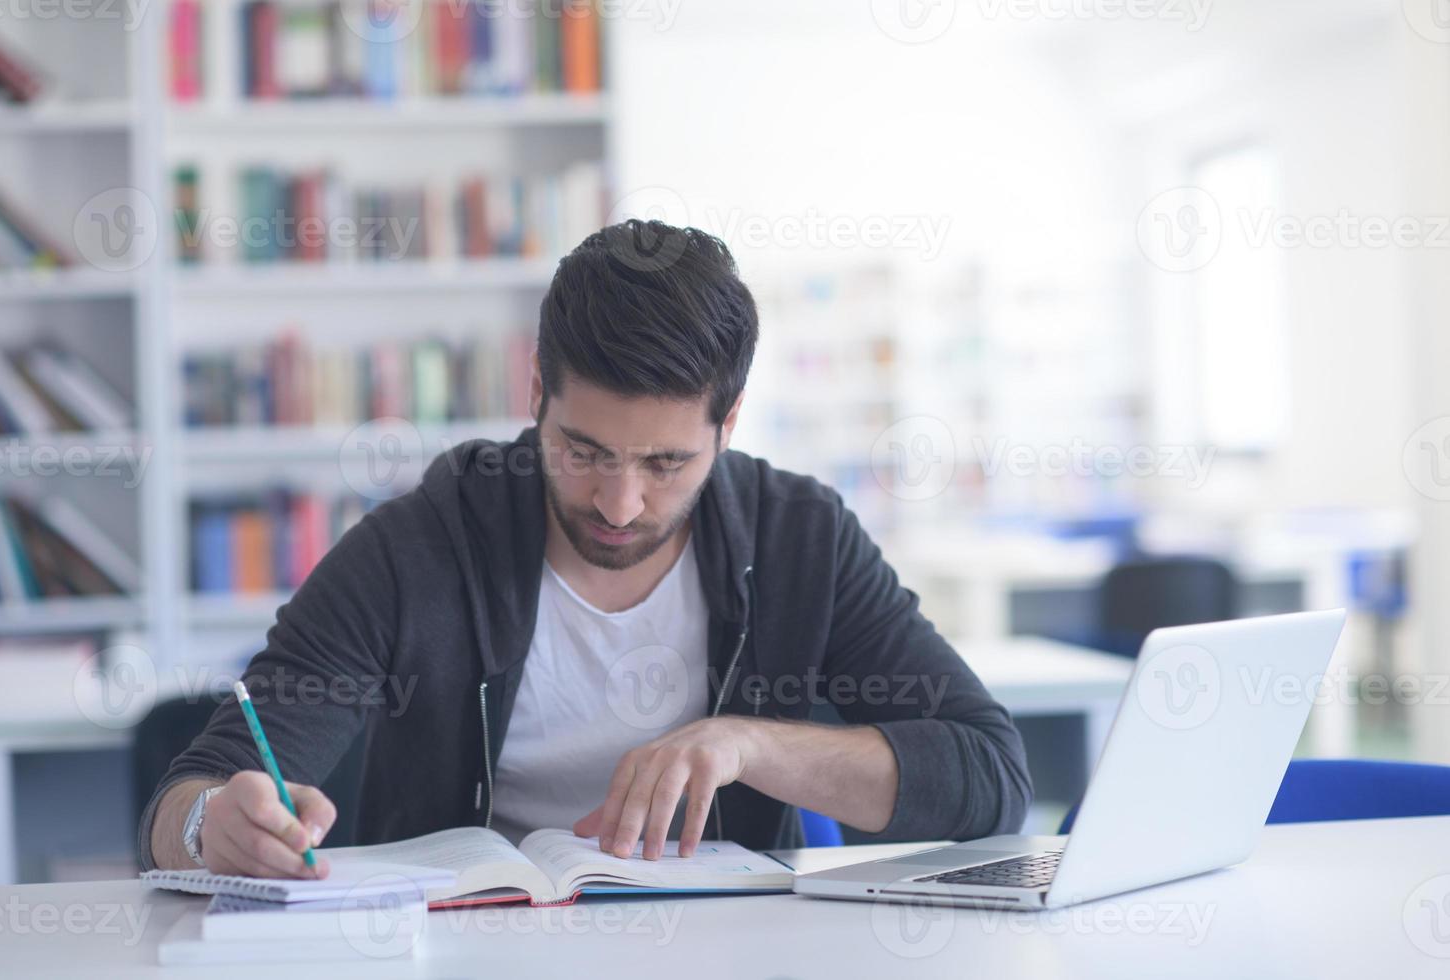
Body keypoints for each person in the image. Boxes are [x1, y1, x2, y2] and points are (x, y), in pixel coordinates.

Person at [141, 219, 1031, 878]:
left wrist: (747, 747)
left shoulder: (800, 536)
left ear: (729, 425)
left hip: (729, 953)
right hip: (469, 949)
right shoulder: (415, 546)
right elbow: (191, 790)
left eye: (666, 462)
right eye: (585, 451)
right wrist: (209, 823)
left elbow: (989, 777)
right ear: (537, 392)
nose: (619, 501)